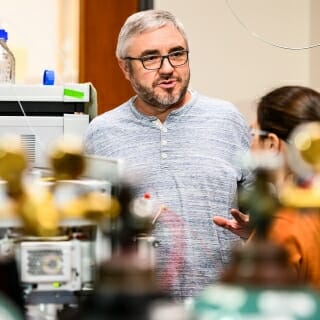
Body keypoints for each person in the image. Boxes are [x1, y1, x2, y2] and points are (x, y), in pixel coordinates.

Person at [83, 9, 253, 299]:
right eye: (150, 58)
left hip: (219, 304)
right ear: (125, 67)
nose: (167, 68)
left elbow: (262, 212)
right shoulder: (101, 133)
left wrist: (256, 228)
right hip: (134, 305)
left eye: (177, 53)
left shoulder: (227, 120)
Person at [213, 85, 320, 288]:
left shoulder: (284, 223)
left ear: (271, 143)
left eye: (253, 134)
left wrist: (269, 236)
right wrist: (258, 234)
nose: (249, 144)